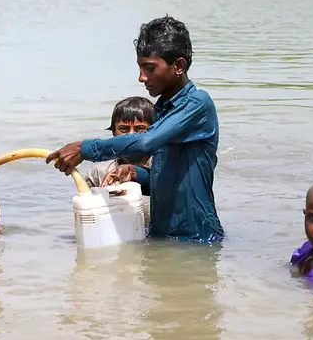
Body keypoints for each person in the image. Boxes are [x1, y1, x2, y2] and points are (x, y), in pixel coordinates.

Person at [47, 15, 224, 243]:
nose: (141, 77)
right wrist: (133, 173)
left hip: (198, 239)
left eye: (150, 68)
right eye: (140, 68)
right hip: (161, 238)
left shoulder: (198, 104)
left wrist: (84, 148)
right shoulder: (162, 109)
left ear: (178, 66)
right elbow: (166, 181)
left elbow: (144, 142)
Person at [83, 96, 154, 188]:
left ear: (153, 131)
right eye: (124, 129)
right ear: (113, 132)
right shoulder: (99, 171)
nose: (131, 136)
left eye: (140, 129)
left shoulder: (160, 166)